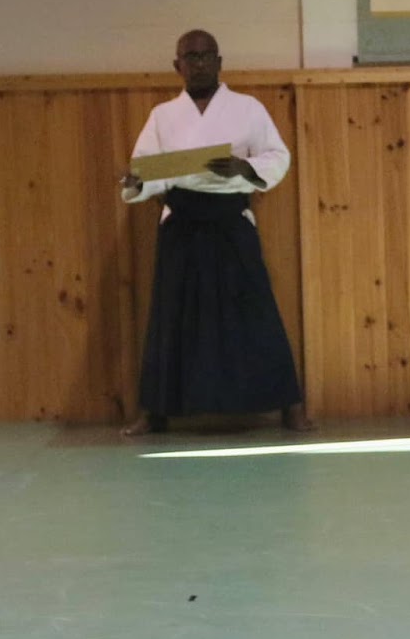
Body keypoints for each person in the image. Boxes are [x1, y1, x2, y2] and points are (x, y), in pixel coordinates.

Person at [118, 29, 312, 437]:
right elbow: (145, 168)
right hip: (182, 221)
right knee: (171, 316)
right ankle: (155, 412)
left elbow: (277, 156)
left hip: (230, 219)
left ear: (220, 62)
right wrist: (136, 183)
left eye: (207, 56)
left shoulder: (248, 109)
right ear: (178, 66)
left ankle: (291, 409)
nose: (200, 63)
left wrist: (245, 170)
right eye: (191, 57)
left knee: (256, 312)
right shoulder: (163, 116)